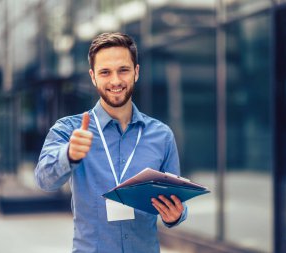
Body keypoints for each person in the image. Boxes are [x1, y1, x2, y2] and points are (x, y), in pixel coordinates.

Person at [35, 32, 187, 253]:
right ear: (93, 77)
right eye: (105, 72)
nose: (115, 81)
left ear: (136, 72)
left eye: (123, 70)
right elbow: (43, 180)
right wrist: (69, 154)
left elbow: (177, 200)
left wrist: (177, 215)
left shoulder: (162, 135)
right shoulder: (69, 130)